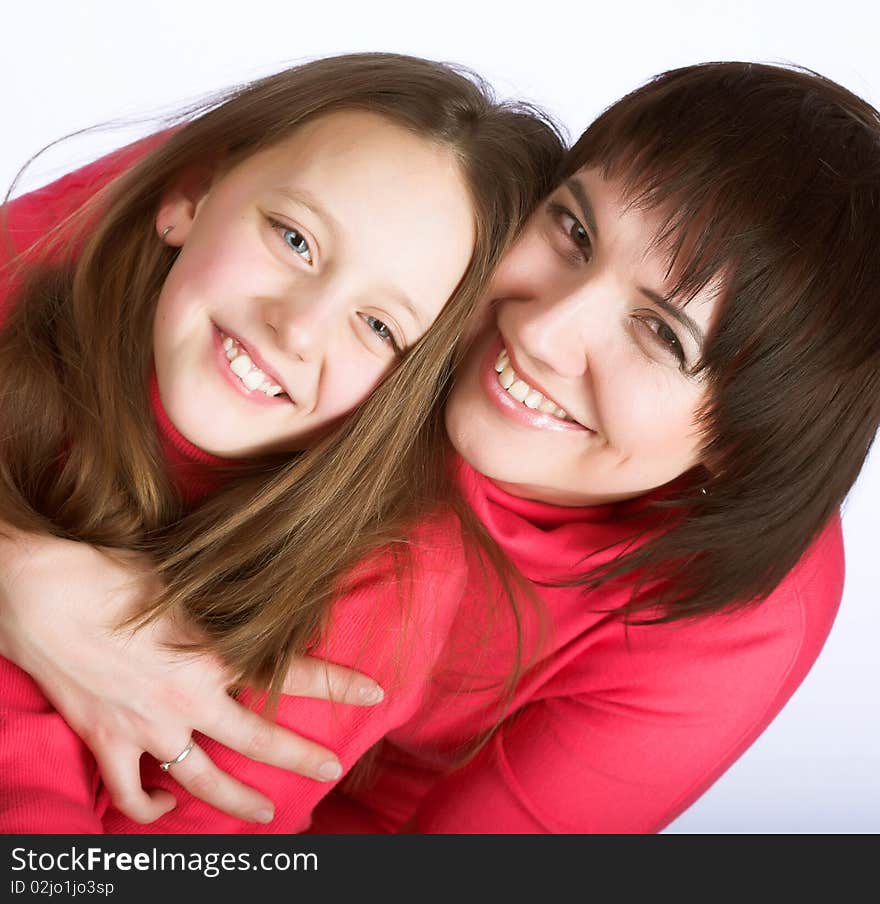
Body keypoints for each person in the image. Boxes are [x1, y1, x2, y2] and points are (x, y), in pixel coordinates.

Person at [3, 60, 878, 833]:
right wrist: (22, 583)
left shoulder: (719, 618)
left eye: (659, 333)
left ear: (745, 445)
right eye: (574, 231)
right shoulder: (356, 203)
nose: (541, 332)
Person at [0, 52, 563, 831]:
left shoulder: (382, 588)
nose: (296, 327)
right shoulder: (35, 308)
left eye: (378, 326)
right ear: (190, 197)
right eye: (295, 240)